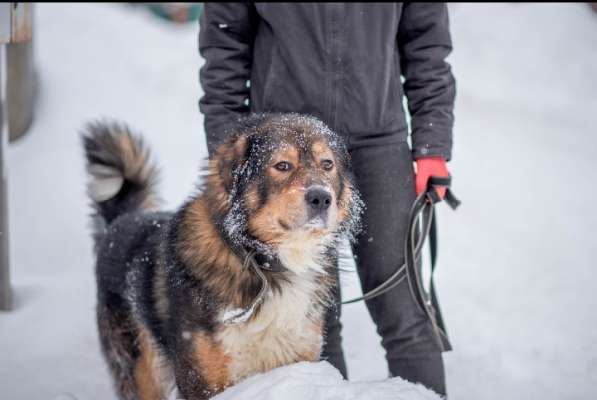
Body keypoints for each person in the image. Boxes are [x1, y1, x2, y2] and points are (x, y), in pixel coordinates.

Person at [198, 3, 455, 396]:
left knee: (404, 310)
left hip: (378, 142)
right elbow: (224, 42)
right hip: (284, 148)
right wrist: (231, 151)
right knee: (312, 317)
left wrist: (431, 145)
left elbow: (426, 42)